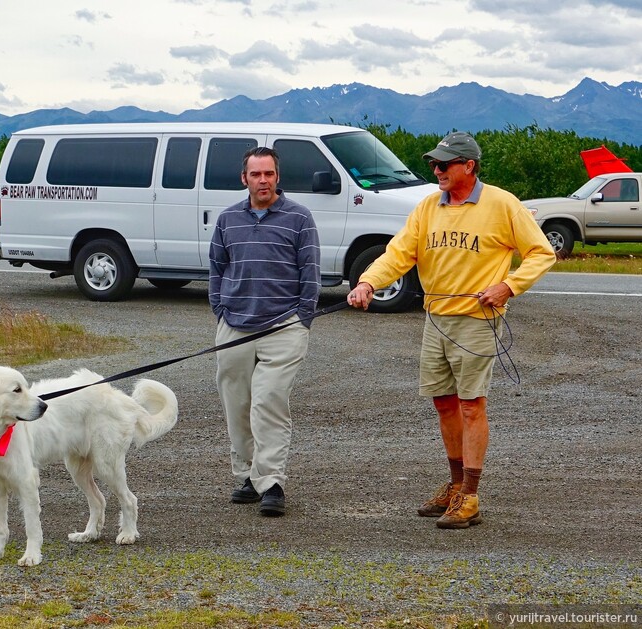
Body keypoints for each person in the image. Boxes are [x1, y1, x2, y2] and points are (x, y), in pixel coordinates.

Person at [347, 132, 556, 529]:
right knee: (444, 403)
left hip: (477, 319)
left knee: (471, 404)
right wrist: (369, 282)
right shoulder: (428, 207)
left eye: (445, 164)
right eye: (434, 164)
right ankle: (456, 484)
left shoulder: (502, 203)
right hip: (435, 318)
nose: (437, 170)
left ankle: (471, 497)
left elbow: (541, 252)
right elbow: (399, 253)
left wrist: (508, 286)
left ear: (469, 165)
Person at [209, 146, 320, 517]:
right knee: (236, 405)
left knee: (268, 401)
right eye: (255, 174)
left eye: (268, 174)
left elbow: (311, 274)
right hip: (235, 325)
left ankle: (271, 482)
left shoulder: (299, 218)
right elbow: (216, 269)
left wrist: (302, 318)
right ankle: (247, 476)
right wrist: (220, 310)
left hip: (283, 326)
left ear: (278, 177)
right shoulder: (227, 220)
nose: (262, 181)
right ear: (244, 179)